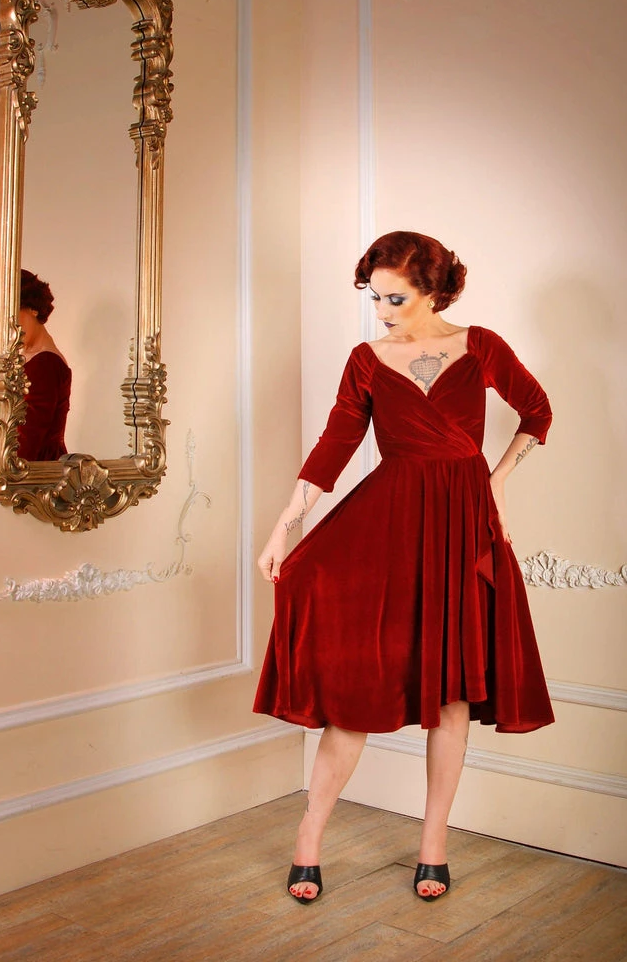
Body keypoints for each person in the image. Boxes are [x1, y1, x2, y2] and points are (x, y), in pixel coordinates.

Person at [254, 230, 553, 904]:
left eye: (395, 298)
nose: (382, 311)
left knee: (451, 693)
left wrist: (496, 482)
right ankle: (309, 835)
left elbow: (537, 412)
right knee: (359, 687)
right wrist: (283, 525)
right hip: (389, 522)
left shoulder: (482, 347)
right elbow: (334, 445)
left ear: (433, 292)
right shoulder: (367, 360)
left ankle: (433, 845)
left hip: (462, 525)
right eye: (374, 297)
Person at [16, 268, 72, 461]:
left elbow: (28, 437)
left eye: (14, 314)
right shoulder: (30, 357)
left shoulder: (46, 363)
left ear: (33, 308)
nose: (9, 325)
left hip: (37, 469)